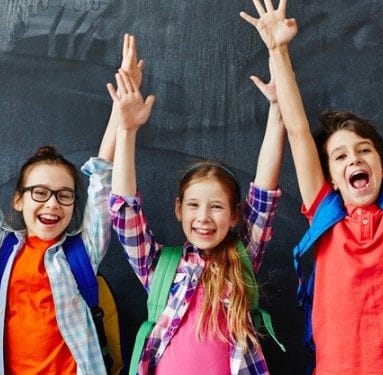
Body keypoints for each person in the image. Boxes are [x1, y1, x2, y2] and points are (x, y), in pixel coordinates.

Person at [240, 0, 383, 373]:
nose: (353, 159)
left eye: (363, 150)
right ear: (332, 179)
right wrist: (277, 50)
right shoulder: (324, 211)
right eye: (339, 157)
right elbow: (298, 130)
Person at [0, 34, 145, 374]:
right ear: (18, 199)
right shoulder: (5, 248)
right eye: (40, 193)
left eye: (64, 195)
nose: (52, 204)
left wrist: (121, 114)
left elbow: (103, 178)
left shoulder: (82, 252)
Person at [108, 64, 286, 373]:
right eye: (194, 205)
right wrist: (126, 132)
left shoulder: (242, 259)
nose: (203, 217)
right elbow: (125, 213)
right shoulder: (159, 266)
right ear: (179, 209)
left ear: (234, 215)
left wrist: (278, 112)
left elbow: (264, 195)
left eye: (216, 207)